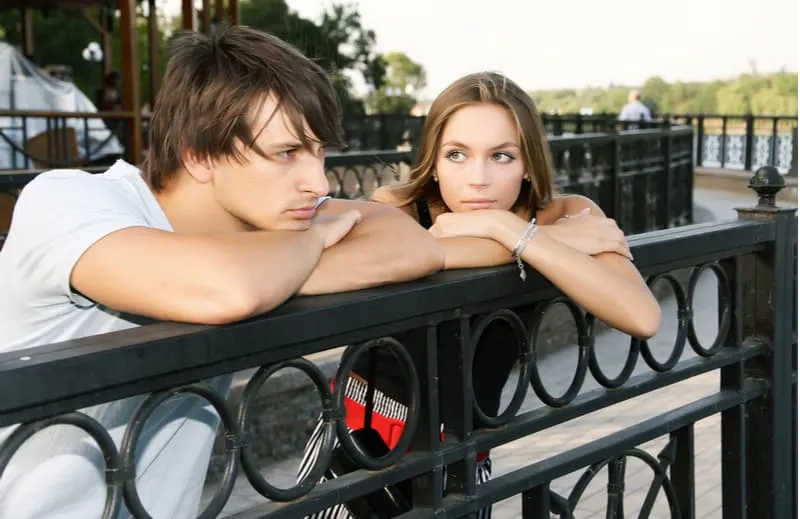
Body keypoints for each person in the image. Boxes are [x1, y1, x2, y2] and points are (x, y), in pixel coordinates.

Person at [0, 26, 444, 519]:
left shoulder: (267, 225)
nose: (316, 181)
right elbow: (227, 291)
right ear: (199, 154)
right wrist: (312, 241)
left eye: (319, 152)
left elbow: (412, 245)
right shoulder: (67, 201)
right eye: (286, 153)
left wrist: (279, 272)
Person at [300, 71, 661, 518]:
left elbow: (641, 316)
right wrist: (541, 244)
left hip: (467, 451)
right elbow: (413, 255)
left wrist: (505, 228)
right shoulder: (397, 207)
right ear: (432, 160)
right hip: (363, 433)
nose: (478, 180)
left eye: (502, 156)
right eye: (456, 154)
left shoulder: (565, 214)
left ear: (528, 162)